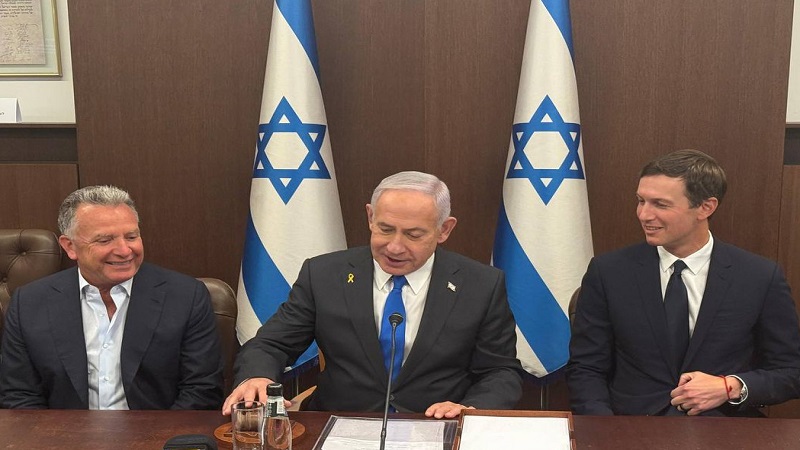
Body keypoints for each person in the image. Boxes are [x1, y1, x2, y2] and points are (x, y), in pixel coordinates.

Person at [223, 171, 522, 418]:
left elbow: (500, 371)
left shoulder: (481, 285)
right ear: (370, 216)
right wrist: (257, 376)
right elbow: (271, 343)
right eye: (385, 229)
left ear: (444, 229)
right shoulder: (324, 275)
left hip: (434, 426)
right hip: (340, 422)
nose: (394, 247)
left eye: (413, 234)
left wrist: (471, 410)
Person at [566, 149, 800, 416]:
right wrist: (603, 429)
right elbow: (586, 367)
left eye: (660, 204)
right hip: (631, 425)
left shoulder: (759, 276)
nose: (644, 214)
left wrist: (731, 386)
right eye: (641, 201)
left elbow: (791, 371)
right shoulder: (608, 272)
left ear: (705, 207)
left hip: (723, 427)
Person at [0, 185, 224, 409]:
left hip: (160, 430)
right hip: (63, 431)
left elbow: (201, 391)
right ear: (70, 246)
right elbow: (19, 396)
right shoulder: (29, 303)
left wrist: (161, 434)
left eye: (131, 236)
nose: (125, 250)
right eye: (105, 240)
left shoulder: (186, 296)